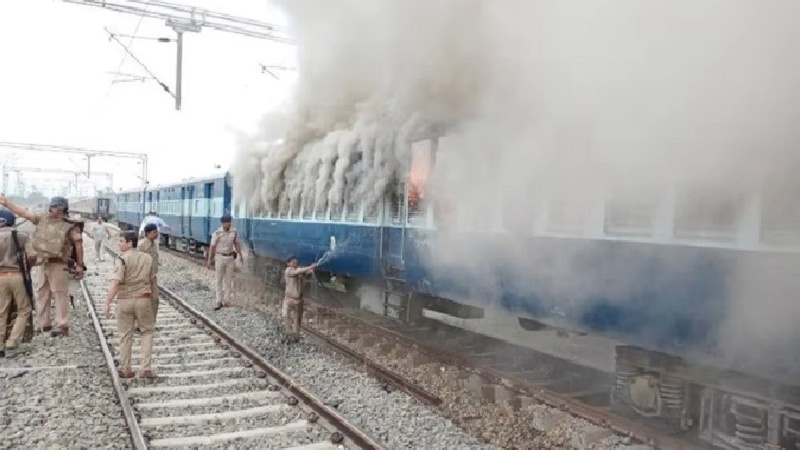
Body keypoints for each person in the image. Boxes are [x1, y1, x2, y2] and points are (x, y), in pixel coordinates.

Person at [0, 194, 84, 337]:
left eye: (55, 206)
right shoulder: (42, 218)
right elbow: (24, 213)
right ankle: (44, 324)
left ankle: (62, 324)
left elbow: (78, 244)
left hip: (59, 264)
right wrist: (7, 203)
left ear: (63, 209)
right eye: (51, 205)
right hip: (43, 263)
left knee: (59, 294)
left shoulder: (70, 224)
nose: (52, 208)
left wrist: (80, 265)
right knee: (42, 294)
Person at [103, 231, 156, 379]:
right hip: (143, 299)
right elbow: (152, 280)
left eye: (121, 241)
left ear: (129, 243)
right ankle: (145, 368)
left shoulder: (121, 259)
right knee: (147, 332)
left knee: (125, 335)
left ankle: (126, 369)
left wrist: (107, 302)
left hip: (125, 301)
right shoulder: (148, 258)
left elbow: (116, 282)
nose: (119, 243)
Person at [0, 208, 34, 358]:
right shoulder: (21, 236)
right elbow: (32, 256)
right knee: (24, 309)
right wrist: (28, 267)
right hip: (17, 275)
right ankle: (12, 343)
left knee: (1, 311)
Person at [206, 215, 243, 311]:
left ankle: (227, 300)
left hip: (230, 257)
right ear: (222, 223)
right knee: (219, 280)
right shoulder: (217, 233)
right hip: (219, 257)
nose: (229, 223)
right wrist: (210, 259)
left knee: (229, 280)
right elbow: (212, 247)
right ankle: (219, 300)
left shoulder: (234, 231)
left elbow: (236, 243)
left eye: (230, 221)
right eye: (227, 222)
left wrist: (240, 254)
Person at [283, 256, 317, 342]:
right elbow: (299, 271)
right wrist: (310, 267)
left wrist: (313, 268)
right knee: (286, 316)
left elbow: (306, 272)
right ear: (288, 263)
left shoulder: (299, 271)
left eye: (295, 260)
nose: (295, 262)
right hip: (289, 299)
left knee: (297, 319)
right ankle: (289, 333)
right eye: (292, 261)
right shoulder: (289, 271)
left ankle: (295, 336)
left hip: (299, 300)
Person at [138, 223, 160, 322]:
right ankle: (139, 323)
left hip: (152, 277)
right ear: (148, 233)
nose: (157, 234)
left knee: (155, 300)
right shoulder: (141, 245)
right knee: (142, 302)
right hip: (142, 278)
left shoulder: (154, 244)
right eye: (154, 232)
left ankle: (151, 322)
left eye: (157, 232)